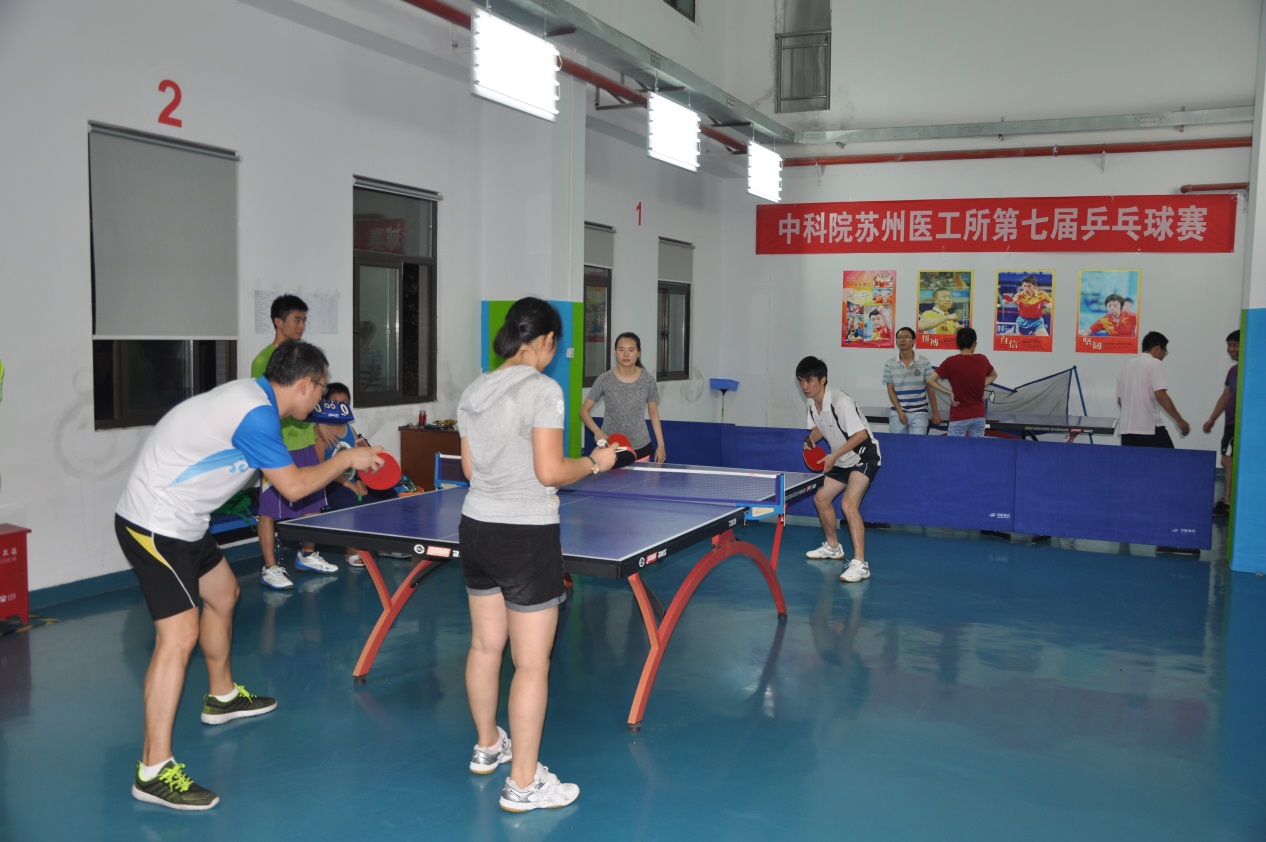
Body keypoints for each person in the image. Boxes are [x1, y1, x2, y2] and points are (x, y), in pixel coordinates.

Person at [115, 341, 383, 810]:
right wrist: (345, 460)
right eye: (321, 388)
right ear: (305, 384)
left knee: (223, 593)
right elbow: (293, 488)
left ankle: (221, 697)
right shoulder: (255, 415)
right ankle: (153, 770)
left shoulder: (256, 401)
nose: (321, 398)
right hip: (155, 524)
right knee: (178, 636)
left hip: (185, 520)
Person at [457, 297, 618, 812]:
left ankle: (488, 745)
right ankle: (523, 784)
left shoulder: (475, 389)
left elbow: (469, 470)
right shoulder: (544, 391)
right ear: (547, 340)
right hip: (525, 535)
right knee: (530, 664)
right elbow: (549, 471)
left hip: (475, 527)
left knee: (485, 647)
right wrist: (594, 463)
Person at [251, 294, 337, 589]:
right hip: (277, 445)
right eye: (296, 320)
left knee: (312, 498)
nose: (301, 326)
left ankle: (307, 554)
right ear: (278, 321)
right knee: (268, 509)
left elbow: (308, 396)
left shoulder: (303, 357)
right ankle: (271, 567)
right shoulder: (263, 360)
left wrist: (318, 423)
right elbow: (265, 404)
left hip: (305, 440)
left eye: (304, 320)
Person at [798, 355, 882, 583]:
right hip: (843, 459)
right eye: (801, 381)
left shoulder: (840, 402)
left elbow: (860, 435)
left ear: (823, 379)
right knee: (821, 499)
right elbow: (820, 428)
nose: (805, 386)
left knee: (848, 504)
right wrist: (811, 440)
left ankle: (861, 565)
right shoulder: (812, 403)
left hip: (864, 455)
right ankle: (833, 547)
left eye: (809, 380)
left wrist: (833, 456)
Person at [310, 383, 395, 567]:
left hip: (352, 481)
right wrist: (347, 483)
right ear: (325, 405)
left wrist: (359, 480)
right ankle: (351, 550)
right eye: (335, 403)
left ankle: (383, 545)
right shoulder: (319, 432)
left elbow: (360, 459)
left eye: (345, 403)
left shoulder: (350, 429)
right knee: (351, 504)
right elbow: (320, 468)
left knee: (387, 495)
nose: (340, 407)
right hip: (331, 484)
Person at [579, 332, 667, 463]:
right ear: (615, 352)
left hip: (640, 447)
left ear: (638, 353)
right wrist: (597, 432)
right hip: (609, 447)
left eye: (631, 350)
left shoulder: (648, 380)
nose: (626, 354)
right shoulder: (604, 379)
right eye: (621, 350)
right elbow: (583, 411)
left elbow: (653, 413)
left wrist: (661, 445)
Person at [1116, 331, 1190, 447]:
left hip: (1127, 431)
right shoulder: (1154, 363)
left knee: (1133, 460)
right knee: (1168, 458)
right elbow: (1161, 395)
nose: (1163, 356)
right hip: (1148, 428)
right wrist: (1179, 420)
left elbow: (1120, 400)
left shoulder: (1127, 365)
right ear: (1157, 348)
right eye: (1165, 351)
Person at [926, 327, 997, 438]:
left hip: (959, 415)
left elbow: (930, 380)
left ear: (957, 344)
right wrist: (979, 385)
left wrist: (950, 392)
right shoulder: (982, 360)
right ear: (974, 343)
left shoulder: (951, 362)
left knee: (954, 447)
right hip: (978, 415)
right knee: (976, 447)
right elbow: (993, 375)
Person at [1202, 330, 1240, 516]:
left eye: (1235, 345)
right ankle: (1229, 500)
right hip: (1230, 423)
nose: (1231, 349)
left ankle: (1227, 502)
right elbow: (1226, 396)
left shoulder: (1252, 369)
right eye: (1229, 345)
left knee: (1227, 461)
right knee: (1228, 460)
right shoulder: (1233, 371)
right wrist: (1212, 418)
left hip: (1241, 424)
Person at [882, 327, 941, 434]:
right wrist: (899, 411)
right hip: (898, 411)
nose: (902, 340)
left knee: (917, 443)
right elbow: (890, 389)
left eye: (906, 337)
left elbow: (930, 388)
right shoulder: (889, 363)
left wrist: (935, 412)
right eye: (899, 337)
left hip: (920, 413)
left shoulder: (924, 362)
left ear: (914, 341)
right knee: (896, 443)